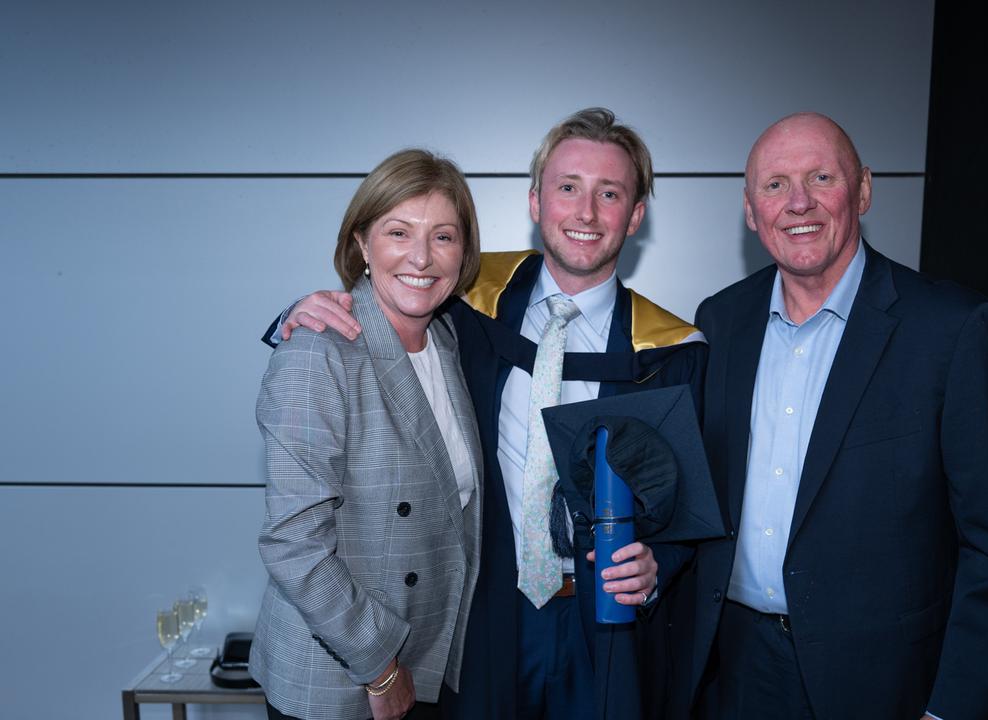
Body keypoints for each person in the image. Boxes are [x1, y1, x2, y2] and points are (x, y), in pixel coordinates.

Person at [269, 108, 708, 720]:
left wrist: (660, 562)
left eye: (609, 194)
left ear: (634, 215)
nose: (585, 213)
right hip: (481, 619)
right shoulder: (470, 302)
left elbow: (688, 502)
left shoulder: (670, 350)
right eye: (567, 188)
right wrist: (303, 307)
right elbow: (381, 304)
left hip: (600, 623)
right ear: (535, 201)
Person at [686, 113, 988, 720]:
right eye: (774, 185)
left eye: (822, 177)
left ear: (864, 190)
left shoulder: (955, 331)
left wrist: (953, 709)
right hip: (734, 670)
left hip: (883, 682)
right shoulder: (720, 322)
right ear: (750, 210)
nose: (798, 202)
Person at [250, 149, 484, 720]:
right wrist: (380, 669)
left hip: (428, 660)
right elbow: (294, 544)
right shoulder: (317, 350)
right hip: (341, 677)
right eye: (398, 232)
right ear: (361, 243)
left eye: (444, 237)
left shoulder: (452, 341)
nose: (422, 257)